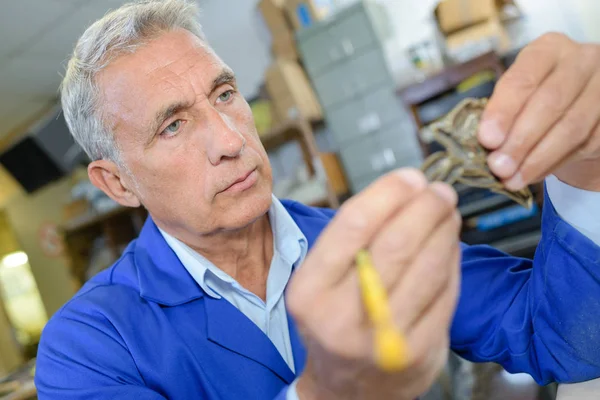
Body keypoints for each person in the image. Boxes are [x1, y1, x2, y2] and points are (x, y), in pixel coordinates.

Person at [34, 1, 600, 399]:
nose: (232, 140)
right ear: (117, 184)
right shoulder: (86, 345)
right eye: (173, 127)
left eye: (225, 95)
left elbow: (563, 341)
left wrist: (584, 163)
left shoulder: (368, 241)